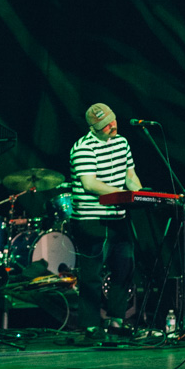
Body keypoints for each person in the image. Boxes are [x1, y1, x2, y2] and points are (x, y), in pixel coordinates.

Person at [69, 102, 143, 340]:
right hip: (91, 218)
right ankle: (91, 325)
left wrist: (140, 194)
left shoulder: (122, 142)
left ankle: (117, 320)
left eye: (112, 120)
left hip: (117, 215)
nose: (111, 126)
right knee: (91, 273)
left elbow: (129, 175)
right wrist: (122, 196)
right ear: (93, 127)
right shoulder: (83, 148)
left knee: (123, 268)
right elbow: (90, 184)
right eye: (104, 125)